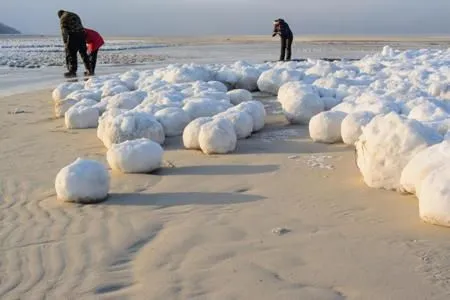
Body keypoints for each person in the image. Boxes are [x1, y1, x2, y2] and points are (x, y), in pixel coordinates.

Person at [57, 10, 92, 78]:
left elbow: (64, 31)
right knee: (83, 53)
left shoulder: (63, 18)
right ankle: (89, 69)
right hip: (82, 35)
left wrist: (65, 42)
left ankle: (72, 72)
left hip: (73, 35)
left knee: (72, 54)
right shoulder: (74, 14)